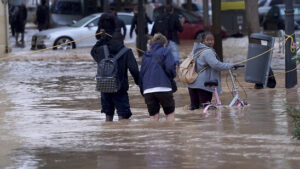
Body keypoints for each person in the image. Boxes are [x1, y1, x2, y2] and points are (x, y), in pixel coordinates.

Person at [90, 13, 140, 122]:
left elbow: (92, 52)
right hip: (120, 89)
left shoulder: (99, 50)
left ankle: (108, 138)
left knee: (108, 118)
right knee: (124, 118)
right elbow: (135, 71)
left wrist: (102, 39)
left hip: (105, 88)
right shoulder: (126, 51)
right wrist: (140, 84)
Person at [188, 32, 234, 110]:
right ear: (203, 41)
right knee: (206, 109)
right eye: (208, 40)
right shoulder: (208, 52)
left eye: (212, 40)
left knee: (194, 109)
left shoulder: (195, 50)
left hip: (192, 84)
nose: (210, 42)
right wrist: (230, 65)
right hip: (204, 85)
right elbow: (216, 65)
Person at [139, 33, 176, 121]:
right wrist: (172, 77)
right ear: (164, 44)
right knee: (169, 114)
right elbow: (170, 68)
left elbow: (141, 74)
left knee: (153, 116)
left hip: (148, 90)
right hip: (164, 88)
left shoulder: (146, 55)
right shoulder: (165, 51)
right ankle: (171, 134)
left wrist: (143, 90)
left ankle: (153, 133)